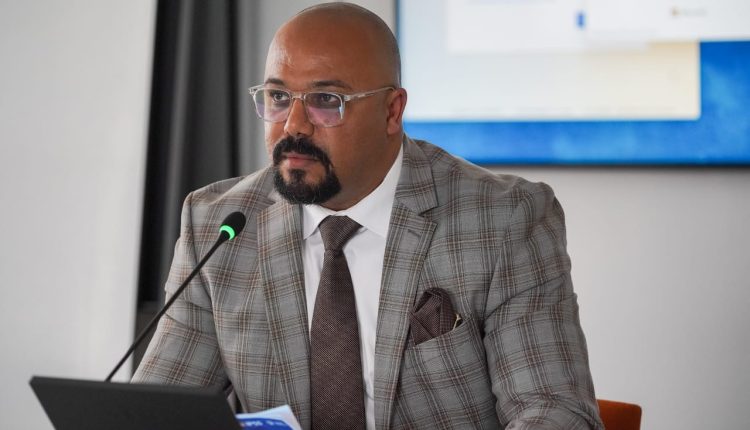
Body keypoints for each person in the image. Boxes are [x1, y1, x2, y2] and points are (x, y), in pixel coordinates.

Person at [133, 3, 603, 429]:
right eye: (278, 97)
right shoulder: (219, 225)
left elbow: (554, 411)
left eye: (325, 101)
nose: (293, 125)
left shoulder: (504, 219)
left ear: (392, 111)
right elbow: (154, 413)